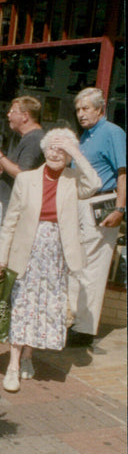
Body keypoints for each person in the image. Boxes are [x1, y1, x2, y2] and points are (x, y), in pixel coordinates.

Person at [0, 129, 101, 392]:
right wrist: (0, 256)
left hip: (57, 254)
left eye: (62, 150)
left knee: (43, 306)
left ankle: (29, 357)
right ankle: (14, 365)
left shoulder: (73, 180)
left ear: (68, 156)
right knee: (22, 305)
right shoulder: (26, 179)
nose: (55, 153)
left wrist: (76, 152)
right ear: (44, 149)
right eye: (52, 147)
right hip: (26, 250)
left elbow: (95, 184)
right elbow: (11, 220)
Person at [66, 87, 127, 348]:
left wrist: (120, 210)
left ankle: (84, 329)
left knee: (93, 268)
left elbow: (123, 173)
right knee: (78, 265)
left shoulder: (112, 132)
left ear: (100, 109)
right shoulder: (87, 135)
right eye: (78, 109)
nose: (81, 114)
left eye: (86, 108)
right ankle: (76, 320)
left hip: (102, 204)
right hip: (81, 203)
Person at [0, 96, 44, 207]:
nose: (8, 115)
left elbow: (22, 173)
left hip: (18, 208)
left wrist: (0, 158)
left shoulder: (34, 140)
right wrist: (4, 167)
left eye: (13, 111)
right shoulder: (27, 137)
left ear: (25, 116)